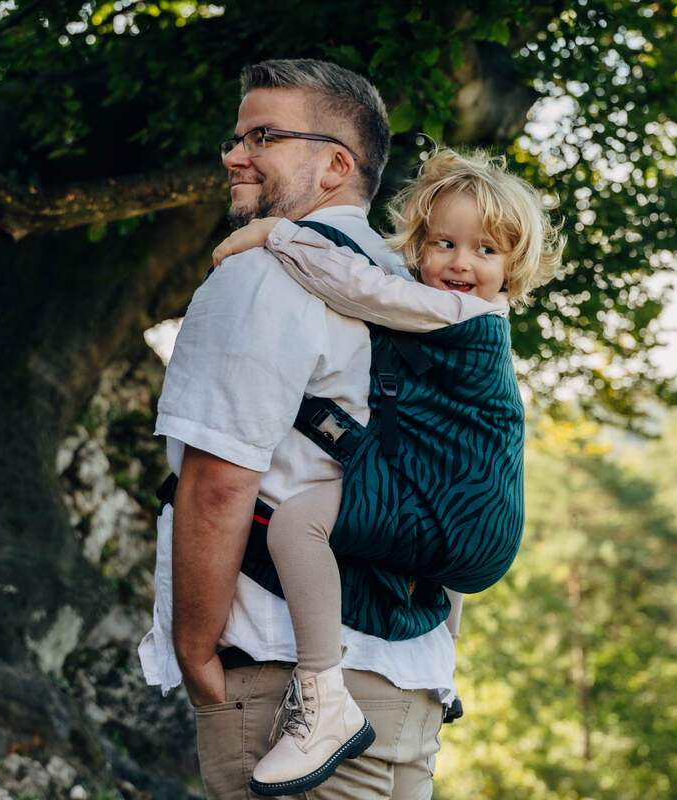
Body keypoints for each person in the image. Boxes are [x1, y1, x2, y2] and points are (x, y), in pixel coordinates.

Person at [137, 59, 454, 800]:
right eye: (237, 136)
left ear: (335, 164)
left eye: (263, 136)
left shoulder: (257, 274)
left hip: (290, 694)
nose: (232, 155)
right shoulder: (420, 291)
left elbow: (219, 484)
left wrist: (193, 652)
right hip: (412, 684)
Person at [210, 147, 565, 794]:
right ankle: (443, 676)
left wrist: (275, 232)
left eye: (486, 251)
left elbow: (361, 287)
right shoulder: (473, 316)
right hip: (478, 518)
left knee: (296, 526)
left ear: (513, 267)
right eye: (444, 243)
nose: (460, 263)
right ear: (419, 245)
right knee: (432, 552)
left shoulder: (465, 314)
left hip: (461, 507)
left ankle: (323, 699)